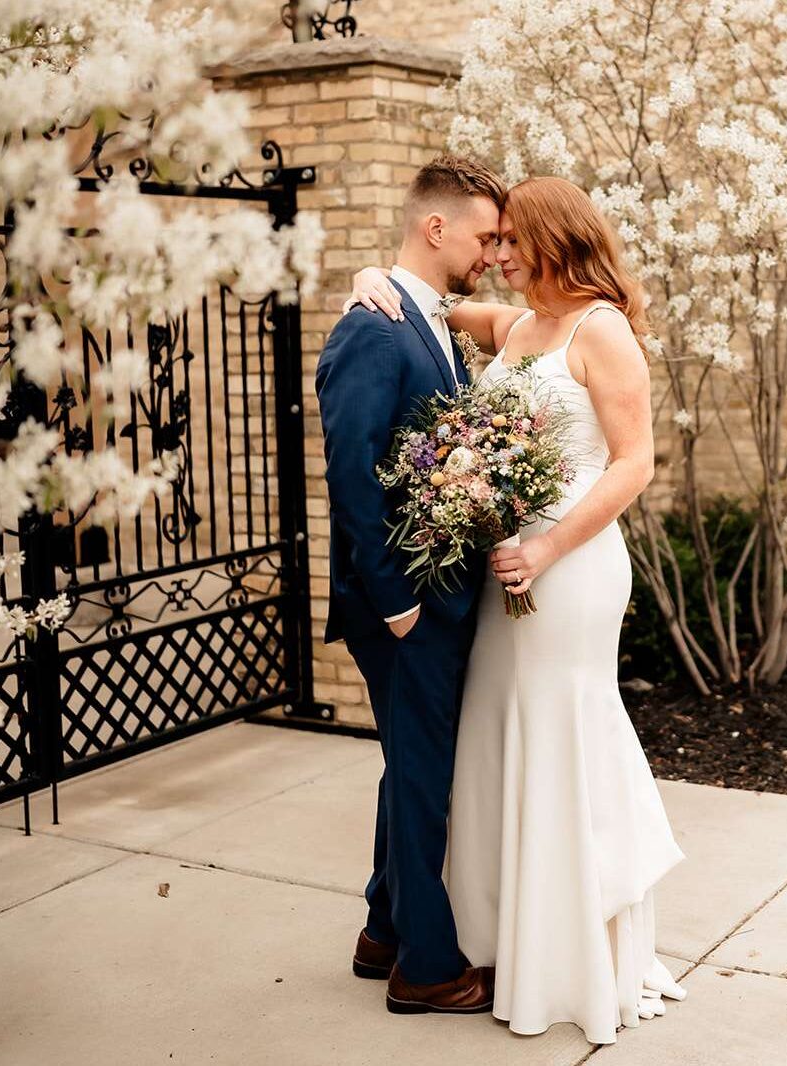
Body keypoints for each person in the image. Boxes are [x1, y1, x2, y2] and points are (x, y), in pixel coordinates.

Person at [345, 174, 688, 1044]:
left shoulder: (601, 329)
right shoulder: (518, 324)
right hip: (500, 570)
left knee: (555, 728)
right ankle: (500, 935)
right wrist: (365, 281)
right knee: (495, 736)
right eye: (490, 242)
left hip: (566, 567)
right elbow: (421, 307)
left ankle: (568, 945)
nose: (497, 256)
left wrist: (545, 546)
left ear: (550, 240)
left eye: (511, 242)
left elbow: (633, 463)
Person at [315, 155, 506, 1015]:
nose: (493, 253)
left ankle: (382, 928)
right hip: (402, 602)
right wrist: (397, 601)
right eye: (484, 235)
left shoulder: (429, 320)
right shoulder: (372, 329)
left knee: (411, 766)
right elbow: (351, 473)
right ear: (437, 229)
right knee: (425, 775)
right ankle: (425, 967)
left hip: (437, 593)